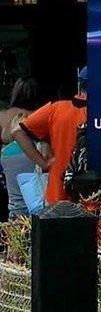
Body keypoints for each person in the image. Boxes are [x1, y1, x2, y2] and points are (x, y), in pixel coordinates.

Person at [12, 67, 87, 205]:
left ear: (80, 86)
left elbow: (17, 131)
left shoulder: (57, 109)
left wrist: (43, 163)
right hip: (98, 199)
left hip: (58, 196)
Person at [0, 77, 43, 217]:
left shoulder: (4, 115)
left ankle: (16, 227)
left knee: (16, 202)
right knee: (36, 199)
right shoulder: (41, 114)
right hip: (33, 155)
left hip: (8, 157)